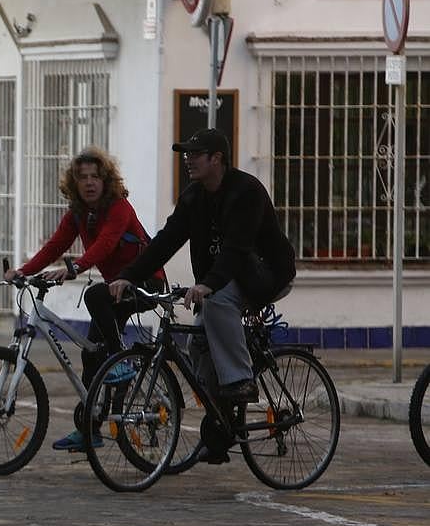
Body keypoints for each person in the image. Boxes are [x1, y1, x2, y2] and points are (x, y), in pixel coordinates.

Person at [110, 127, 297, 457]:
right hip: (225, 277)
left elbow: (237, 249)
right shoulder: (194, 197)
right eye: (186, 155)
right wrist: (129, 275)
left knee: (217, 301)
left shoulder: (246, 191)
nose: (188, 161)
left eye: (195, 155)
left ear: (217, 159)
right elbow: (165, 242)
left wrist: (208, 284)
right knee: (197, 344)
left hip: (266, 274)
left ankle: (241, 379)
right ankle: (222, 424)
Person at [7, 147, 166, 453]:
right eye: (83, 178)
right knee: (91, 355)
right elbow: (54, 246)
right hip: (114, 292)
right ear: (74, 183)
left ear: (106, 181)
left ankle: (119, 365)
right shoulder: (78, 215)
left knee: (94, 295)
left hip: (144, 283)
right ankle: (89, 430)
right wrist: (22, 271)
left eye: (96, 176)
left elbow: (106, 244)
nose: (90, 183)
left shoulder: (119, 207)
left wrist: (75, 268)